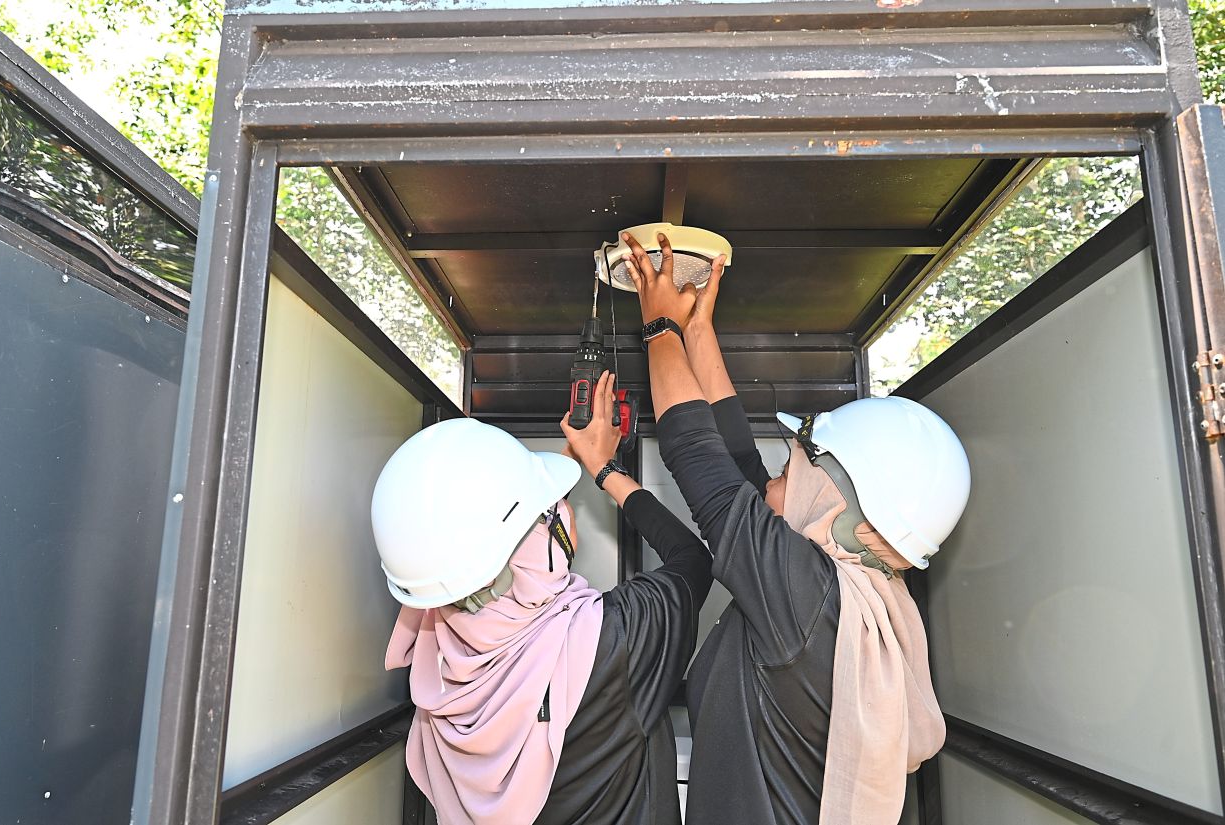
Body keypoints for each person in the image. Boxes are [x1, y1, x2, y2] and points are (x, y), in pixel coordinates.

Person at [620, 232, 971, 825]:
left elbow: (703, 463)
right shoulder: (861, 596)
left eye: (793, 468)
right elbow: (743, 471)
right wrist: (698, 333)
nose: (775, 476)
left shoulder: (810, 597)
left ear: (836, 502)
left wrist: (658, 328)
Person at [371, 372, 712, 825]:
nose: (563, 510)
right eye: (551, 510)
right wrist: (605, 470)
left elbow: (484, 547)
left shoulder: (434, 664)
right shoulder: (612, 642)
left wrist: (554, 475)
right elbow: (691, 561)